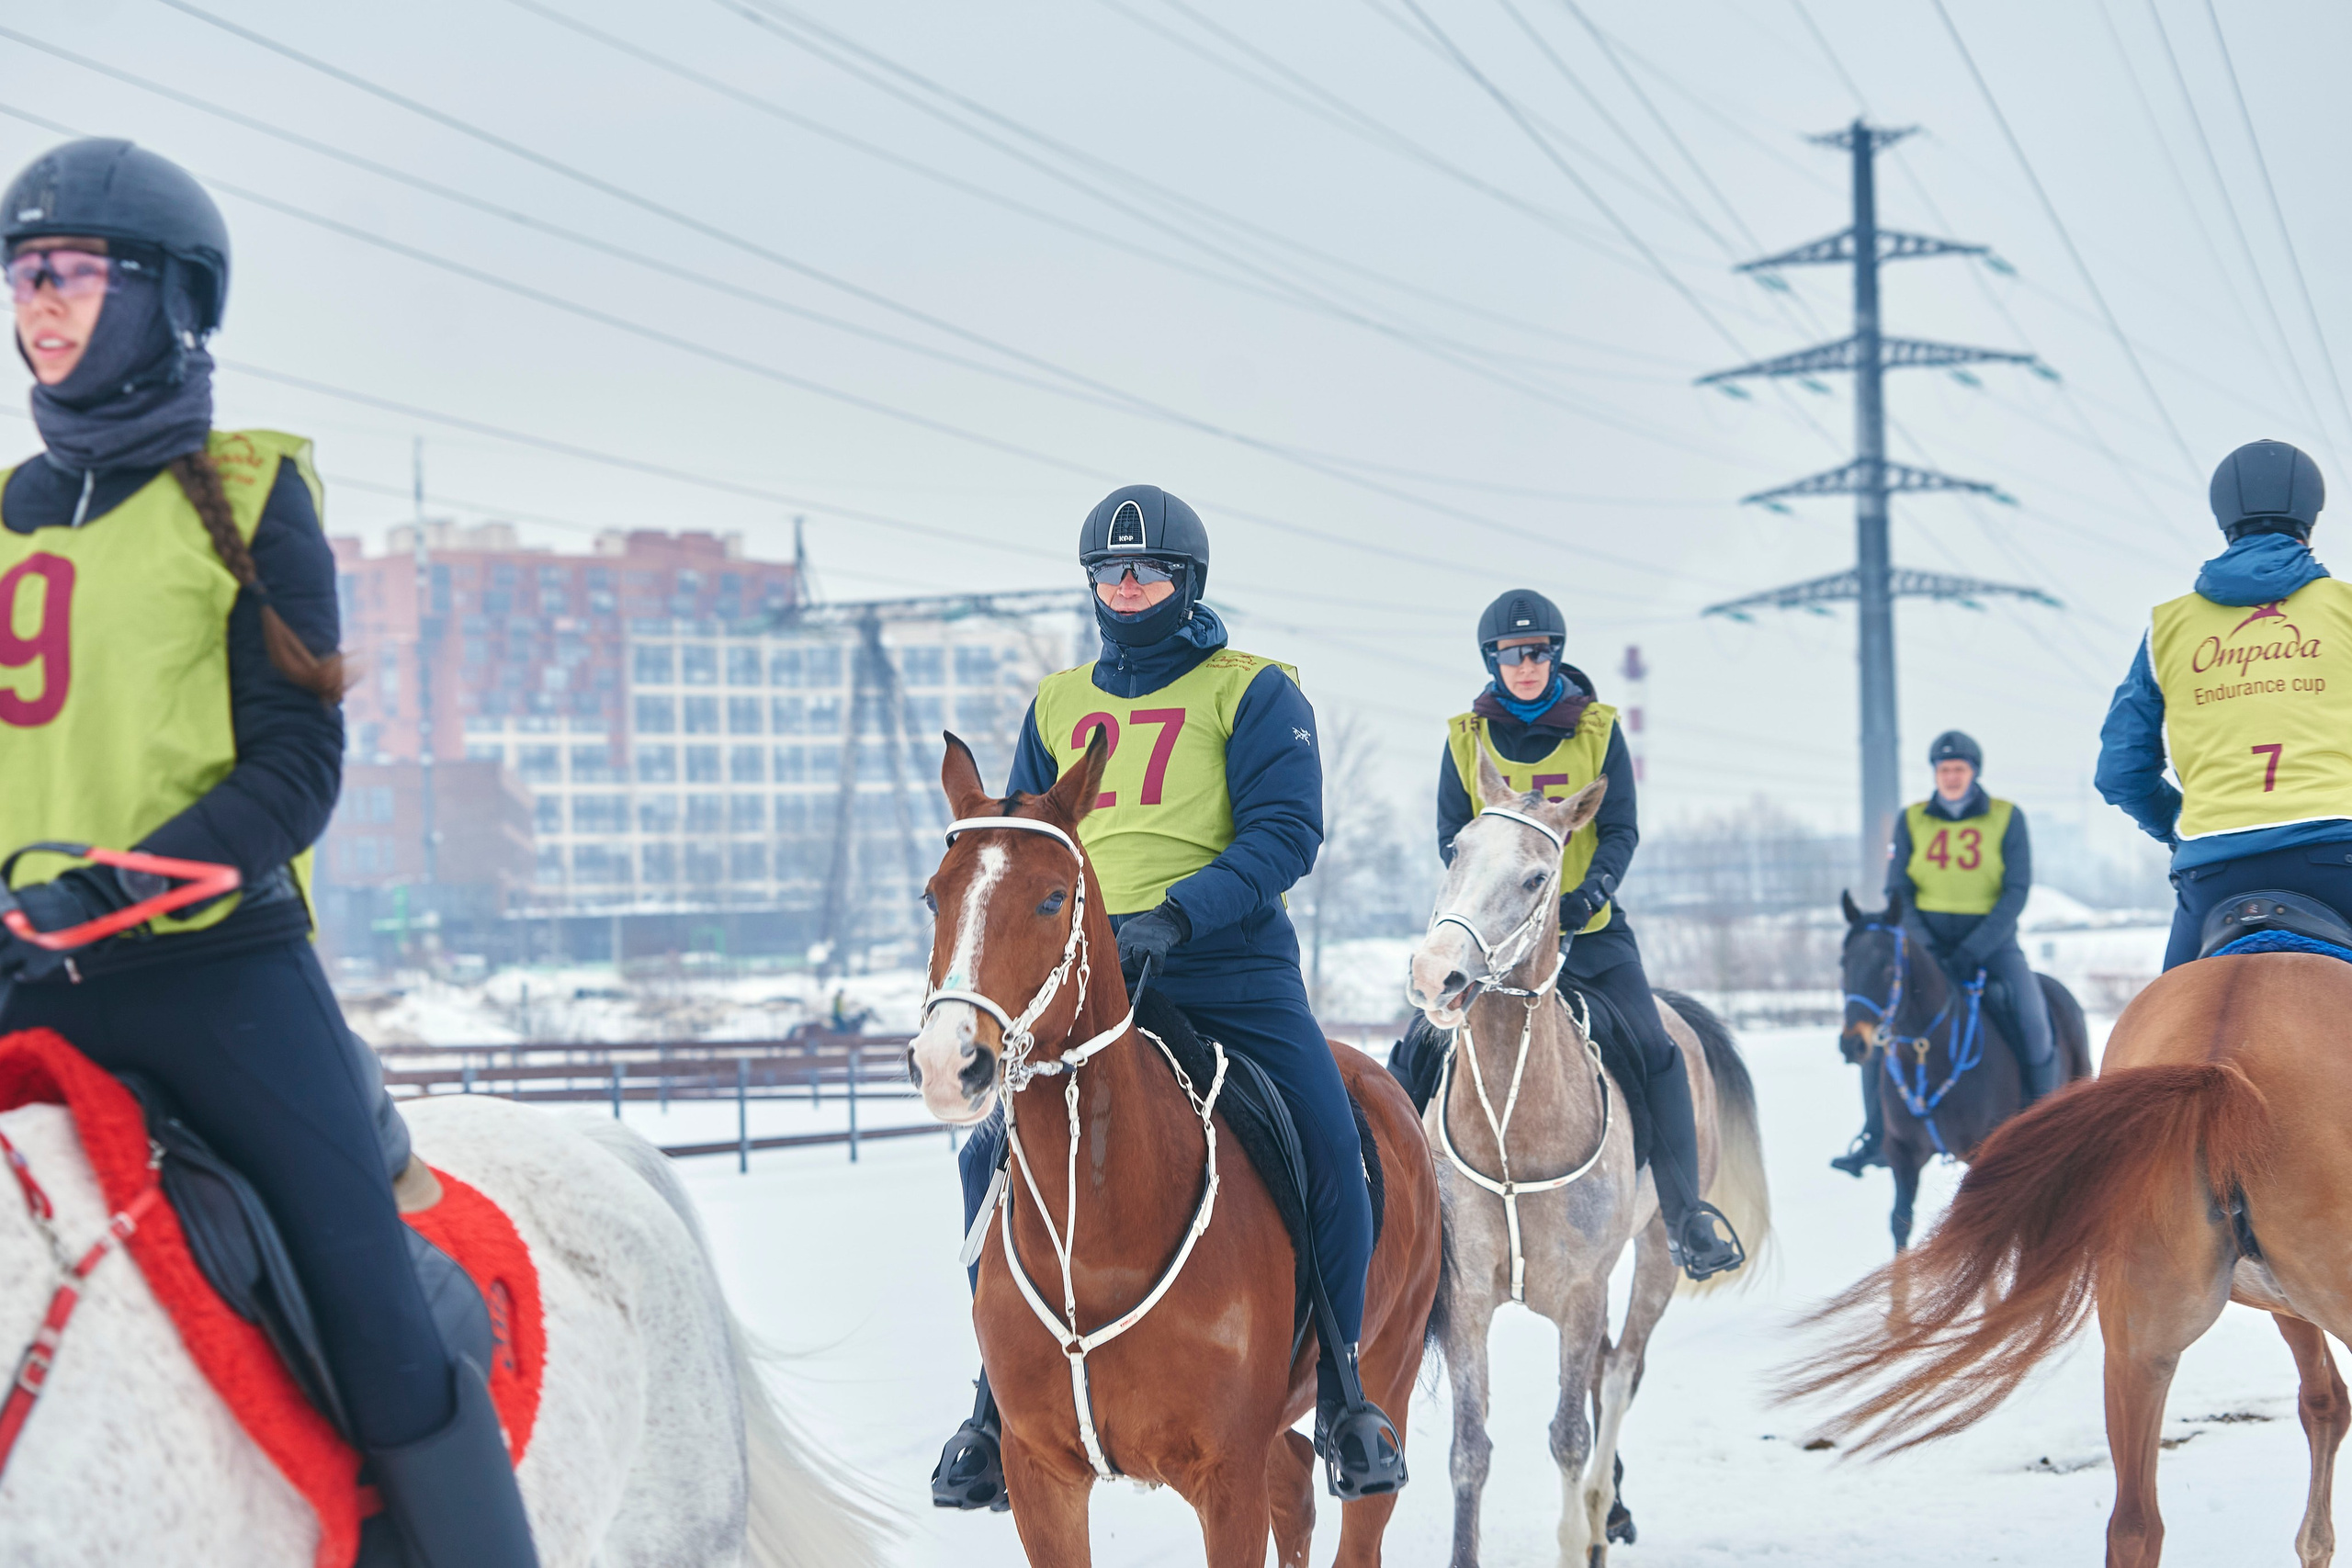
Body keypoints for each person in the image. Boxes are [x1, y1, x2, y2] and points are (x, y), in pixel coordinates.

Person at [0, 140, 536, 1567]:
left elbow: (297, 770)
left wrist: (105, 886)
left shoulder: (245, 494)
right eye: (21, 273)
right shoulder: (0, 515)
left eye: (69, 271)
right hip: (18, 969)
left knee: (376, 1319)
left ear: (169, 296)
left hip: (212, 978)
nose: (35, 303)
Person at [931, 485, 1405, 1508]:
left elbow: (1286, 834)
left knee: (1327, 1140)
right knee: (986, 1155)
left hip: (1225, 970)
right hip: (1086, 983)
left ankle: (1348, 1396)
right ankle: (992, 1406)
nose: (1128, 587)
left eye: (1147, 572)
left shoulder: (1254, 691)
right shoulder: (1058, 701)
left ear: (1186, 583)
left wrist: (1180, 916)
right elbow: (1023, 837)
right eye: (1111, 573)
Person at [1426, 588, 1743, 1281]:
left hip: (1589, 930)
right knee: (1419, 1046)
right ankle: (1398, 1200)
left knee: (1657, 1049)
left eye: (1537, 653)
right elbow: (1455, 838)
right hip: (1497, 941)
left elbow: (1621, 826)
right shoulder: (1464, 737)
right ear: (1494, 662)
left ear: (1555, 656)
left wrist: (1588, 893)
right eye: (1512, 655)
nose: (1526, 666)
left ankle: (1687, 1215)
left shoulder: (1598, 728)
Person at [2098, 437, 2352, 970]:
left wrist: (2180, 823)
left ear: (2224, 518)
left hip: (2215, 874)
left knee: (2157, 1045)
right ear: (2312, 514)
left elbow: (2121, 772)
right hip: (2338, 857)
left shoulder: (2165, 630)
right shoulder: (2345, 611)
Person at [1832, 731, 2057, 1177]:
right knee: (1881, 1023)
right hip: (1926, 945)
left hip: (1992, 943)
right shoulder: (1912, 818)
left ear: (1974, 772)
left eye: (1959, 770)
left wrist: (1973, 947)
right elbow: (1898, 888)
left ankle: (2045, 1127)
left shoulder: (2005, 817)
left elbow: (2016, 890)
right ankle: (1876, 1136)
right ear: (1934, 774)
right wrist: (1930, 946)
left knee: (2034, 1019)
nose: (1951, 777)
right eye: (1943, 770)